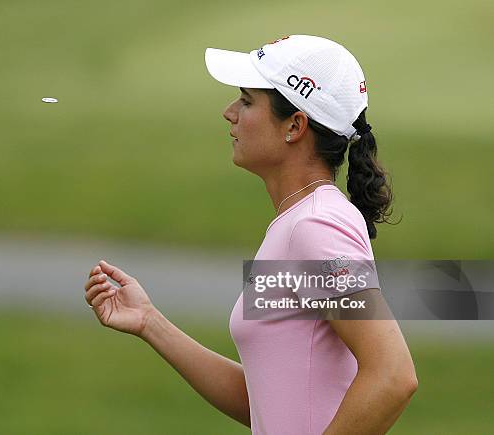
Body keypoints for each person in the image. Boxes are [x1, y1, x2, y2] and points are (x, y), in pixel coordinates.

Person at [84, 35, 417, 434]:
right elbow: (265, 400)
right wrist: (149, 322)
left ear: (294, 126)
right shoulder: (296, 225)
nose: (229, 112)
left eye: (245, 100)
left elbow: (393, 375)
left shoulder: (314, 228)